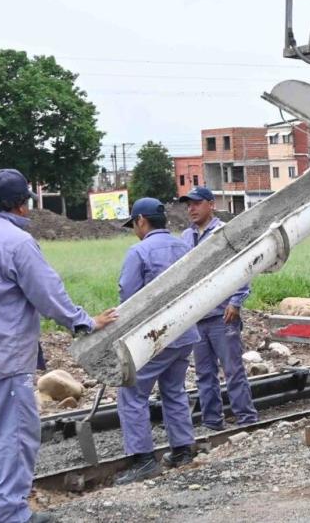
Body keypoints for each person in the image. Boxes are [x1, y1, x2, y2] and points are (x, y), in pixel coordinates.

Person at [0, 169, 118, 523]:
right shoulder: (16, 242)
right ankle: (8, 515)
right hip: (2, 359)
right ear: (21, 205)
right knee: (13, 439)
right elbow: (47, 293)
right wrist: (84, 321)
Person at [113, 197, 202, 485]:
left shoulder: (138, 252)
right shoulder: (184, 246)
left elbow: (129, 297)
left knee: (132, 394)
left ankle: (143, 460)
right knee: (173, 390)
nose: (134, 230)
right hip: (185, 332)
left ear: (141, 220)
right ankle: (182, 451)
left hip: (155, 337)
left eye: (134, 224)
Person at [180, 186, 257, 430]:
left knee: (233, 370)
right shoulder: (186, 237)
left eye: (196, 203)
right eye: (188, 204)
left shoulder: (224, 233)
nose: (191, 208)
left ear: (211, 204)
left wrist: (236, 301)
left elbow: (242, 266)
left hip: (223, 314)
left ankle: (246, 419)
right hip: (198, 316)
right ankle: (212, 421)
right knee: (204, 374)